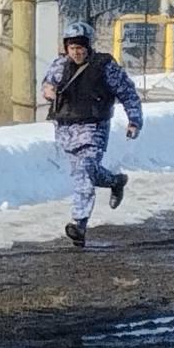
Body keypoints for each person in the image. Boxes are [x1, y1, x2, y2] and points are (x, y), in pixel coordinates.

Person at [41, 20, 144, 249]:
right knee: (85, 172)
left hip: (93, 127)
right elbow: (47, 85)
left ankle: (79, 224)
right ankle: (116, 181)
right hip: (66, 128)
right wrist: (49, 91)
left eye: (80, 47)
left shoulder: (105, 67)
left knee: (85, 168)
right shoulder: (60, 65)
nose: (76, 52)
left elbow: (128, 93)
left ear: (88, 46)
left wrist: (134, 120)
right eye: (72, 47)